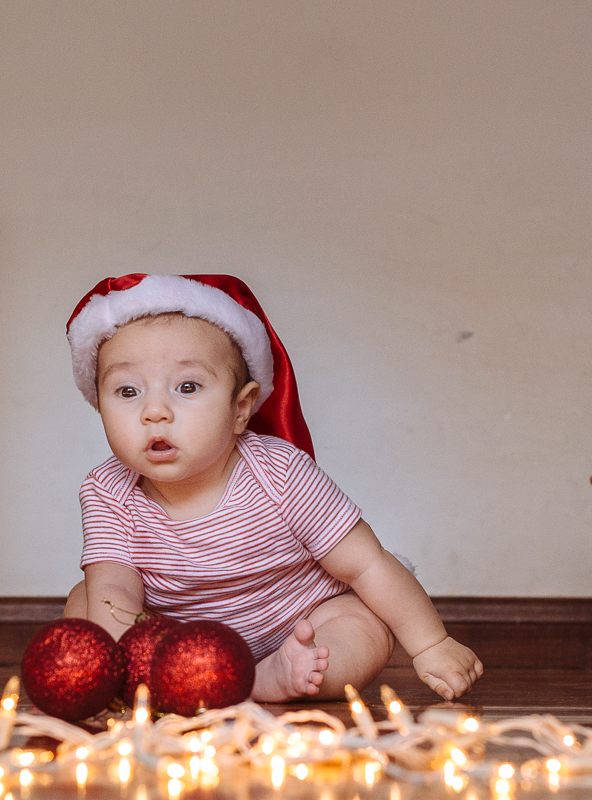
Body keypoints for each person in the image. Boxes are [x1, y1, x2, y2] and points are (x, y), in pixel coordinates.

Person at [62, 273, 483, 702]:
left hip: (300, 622)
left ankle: (277, 677)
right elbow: (115, 589)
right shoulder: (107, 491)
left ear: (241, 408)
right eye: (127, 390)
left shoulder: (279, 472)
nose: (154, 411)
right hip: (180, 641)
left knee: (360, 625)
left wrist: (431, 643)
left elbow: (366, 564)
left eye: (187, 387)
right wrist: (133, 659)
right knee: (89, 601)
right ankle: (170, 679)